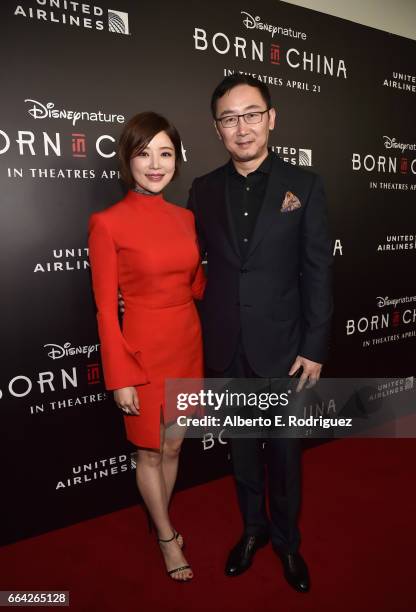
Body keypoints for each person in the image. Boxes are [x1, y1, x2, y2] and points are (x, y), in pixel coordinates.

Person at [188, 74, 333, 592]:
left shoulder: (306, 184)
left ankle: (287, 542)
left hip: (287, 349)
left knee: (286, 456)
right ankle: (252, 531)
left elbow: (318, 269)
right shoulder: (202, 189)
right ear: (217, 128)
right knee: (244, 449)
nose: (241, 127)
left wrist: (315, 344)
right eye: (229, 118)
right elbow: (191, 266)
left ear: (272, 118)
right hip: (227, 347)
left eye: (251, 114)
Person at [88, 112, 205, 582]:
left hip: (187, 340)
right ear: (127, 159)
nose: (155, 164)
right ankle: (164, 536)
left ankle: (164, 520)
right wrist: (120, 377)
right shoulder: (107, 223)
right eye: (144, 154)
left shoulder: (186, 217)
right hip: (141, 351)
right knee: (150, 453)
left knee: (174, 447)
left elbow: (195, 283)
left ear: (176, 160)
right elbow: (103, 308)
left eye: (165, 154)